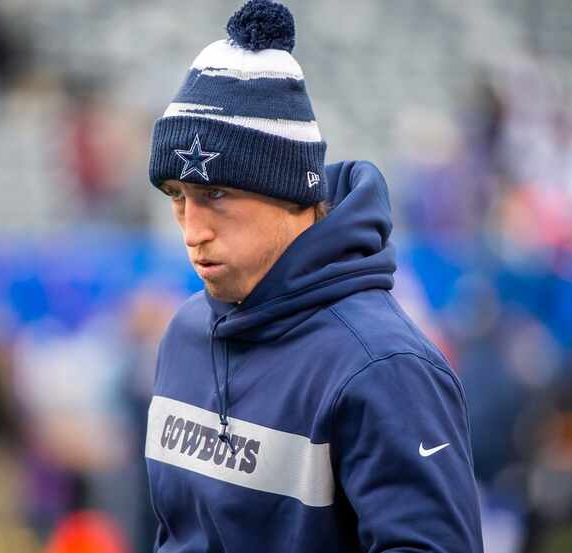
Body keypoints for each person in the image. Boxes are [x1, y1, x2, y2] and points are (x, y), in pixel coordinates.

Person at [144, 1, 484, 551]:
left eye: (215, 194)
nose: (192, 228)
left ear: (290, 193)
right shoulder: (185, 333)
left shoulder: (386, 369)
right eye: (178, 199)